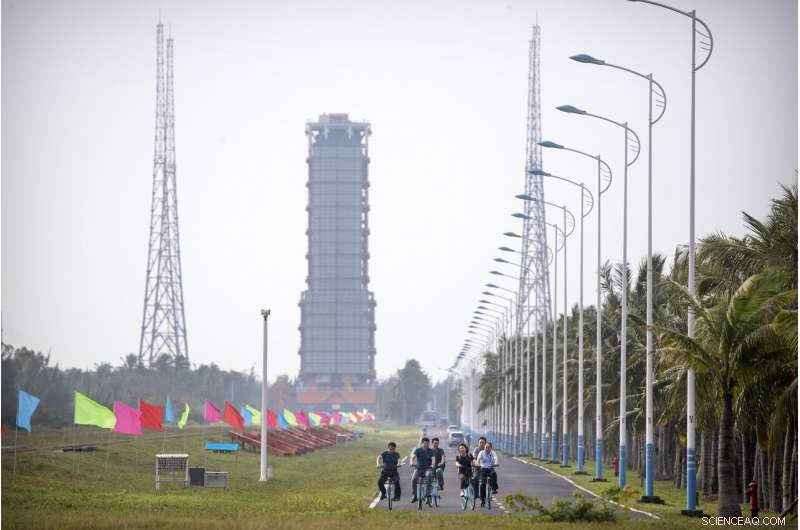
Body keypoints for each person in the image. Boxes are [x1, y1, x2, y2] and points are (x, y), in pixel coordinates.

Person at [410, 437, 434, 503]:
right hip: (418, 468)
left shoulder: (431, 451)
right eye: (425, 443)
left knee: (429, 476)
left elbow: (433, 459)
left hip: (427, 468)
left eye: (427, 443)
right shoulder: (418, 450)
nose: (426, 444)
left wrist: (432, 464)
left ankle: (427, 495)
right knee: (413, 479)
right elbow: (413, 457)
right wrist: (412, 462)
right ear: (422, 443)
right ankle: (414, 495)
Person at [476, 441, 499, 506]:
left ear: (491, 448)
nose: (487, 448)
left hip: (490, 468)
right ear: (484, 447)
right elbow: (478, 459)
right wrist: (478, 464)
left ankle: (494, 489)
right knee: (482, 484)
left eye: (488, 447)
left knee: (494, 475)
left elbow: (495, 458)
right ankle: (482, 499)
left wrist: (496, 463)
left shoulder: (493, 453)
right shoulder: (481, 453)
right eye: (486, 447)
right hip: (483, 469)